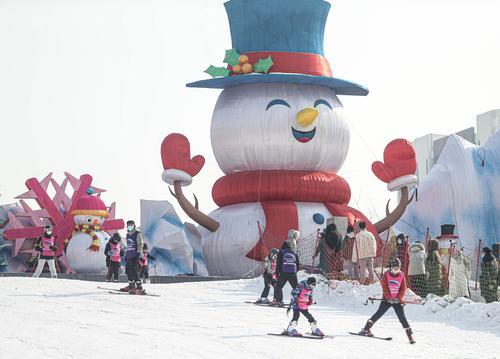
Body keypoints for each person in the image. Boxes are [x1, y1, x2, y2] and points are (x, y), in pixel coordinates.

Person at [358, 258, 415, 344]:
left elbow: (403, 288)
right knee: (379, 313)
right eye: (394, 268)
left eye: (398, 268)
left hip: (397, 301)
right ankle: (366, 329)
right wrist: (388, 297)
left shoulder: (402, 275)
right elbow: (384, 286)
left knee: (402, 317)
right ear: (391, 267)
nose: (396, 270)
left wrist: (399, 298)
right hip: (387, 300)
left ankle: (410, 336)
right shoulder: (387, 274)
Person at [273, 236, 300, 307]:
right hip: (293, 273)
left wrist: (276, 274)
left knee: (278, 287)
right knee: (296, 288)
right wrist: (295, 272)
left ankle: (279, 301)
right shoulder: (294, 253)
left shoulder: (281, 252)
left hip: (284, 273)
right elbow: (297, 264)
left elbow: (278, 264)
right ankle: (299, 301)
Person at [120, 220, 145, 294]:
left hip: (135, 255)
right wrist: (126, 254)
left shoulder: (137, 233)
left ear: (134, 225)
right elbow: (128, 246)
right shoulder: (128, 234)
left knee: (134, 271)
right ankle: (131, 285)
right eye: (129, 224)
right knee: (128, 271)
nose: (130, 226)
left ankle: (139, 287)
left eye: (131, 224)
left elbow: (140, 243)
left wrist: (139, 253)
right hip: (129, 255)